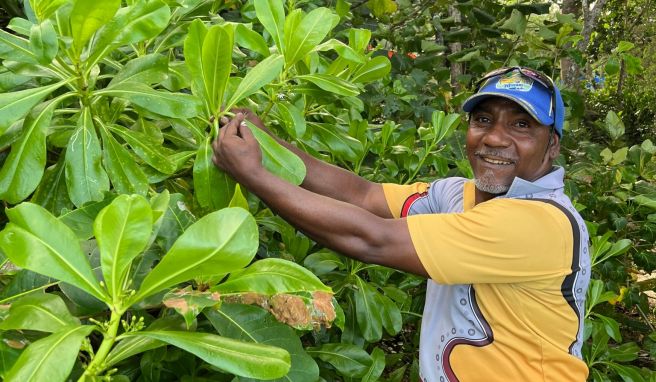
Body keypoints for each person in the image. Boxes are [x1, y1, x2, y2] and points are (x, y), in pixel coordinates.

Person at [212, 67, 590, 381]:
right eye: (483, 119)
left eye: (521, 125)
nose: (493, 138)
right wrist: (268, 143)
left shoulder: (539, 222)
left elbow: (371, 239)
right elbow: (364, 196)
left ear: (552, 145)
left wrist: (253, 175)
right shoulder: (459, 194)